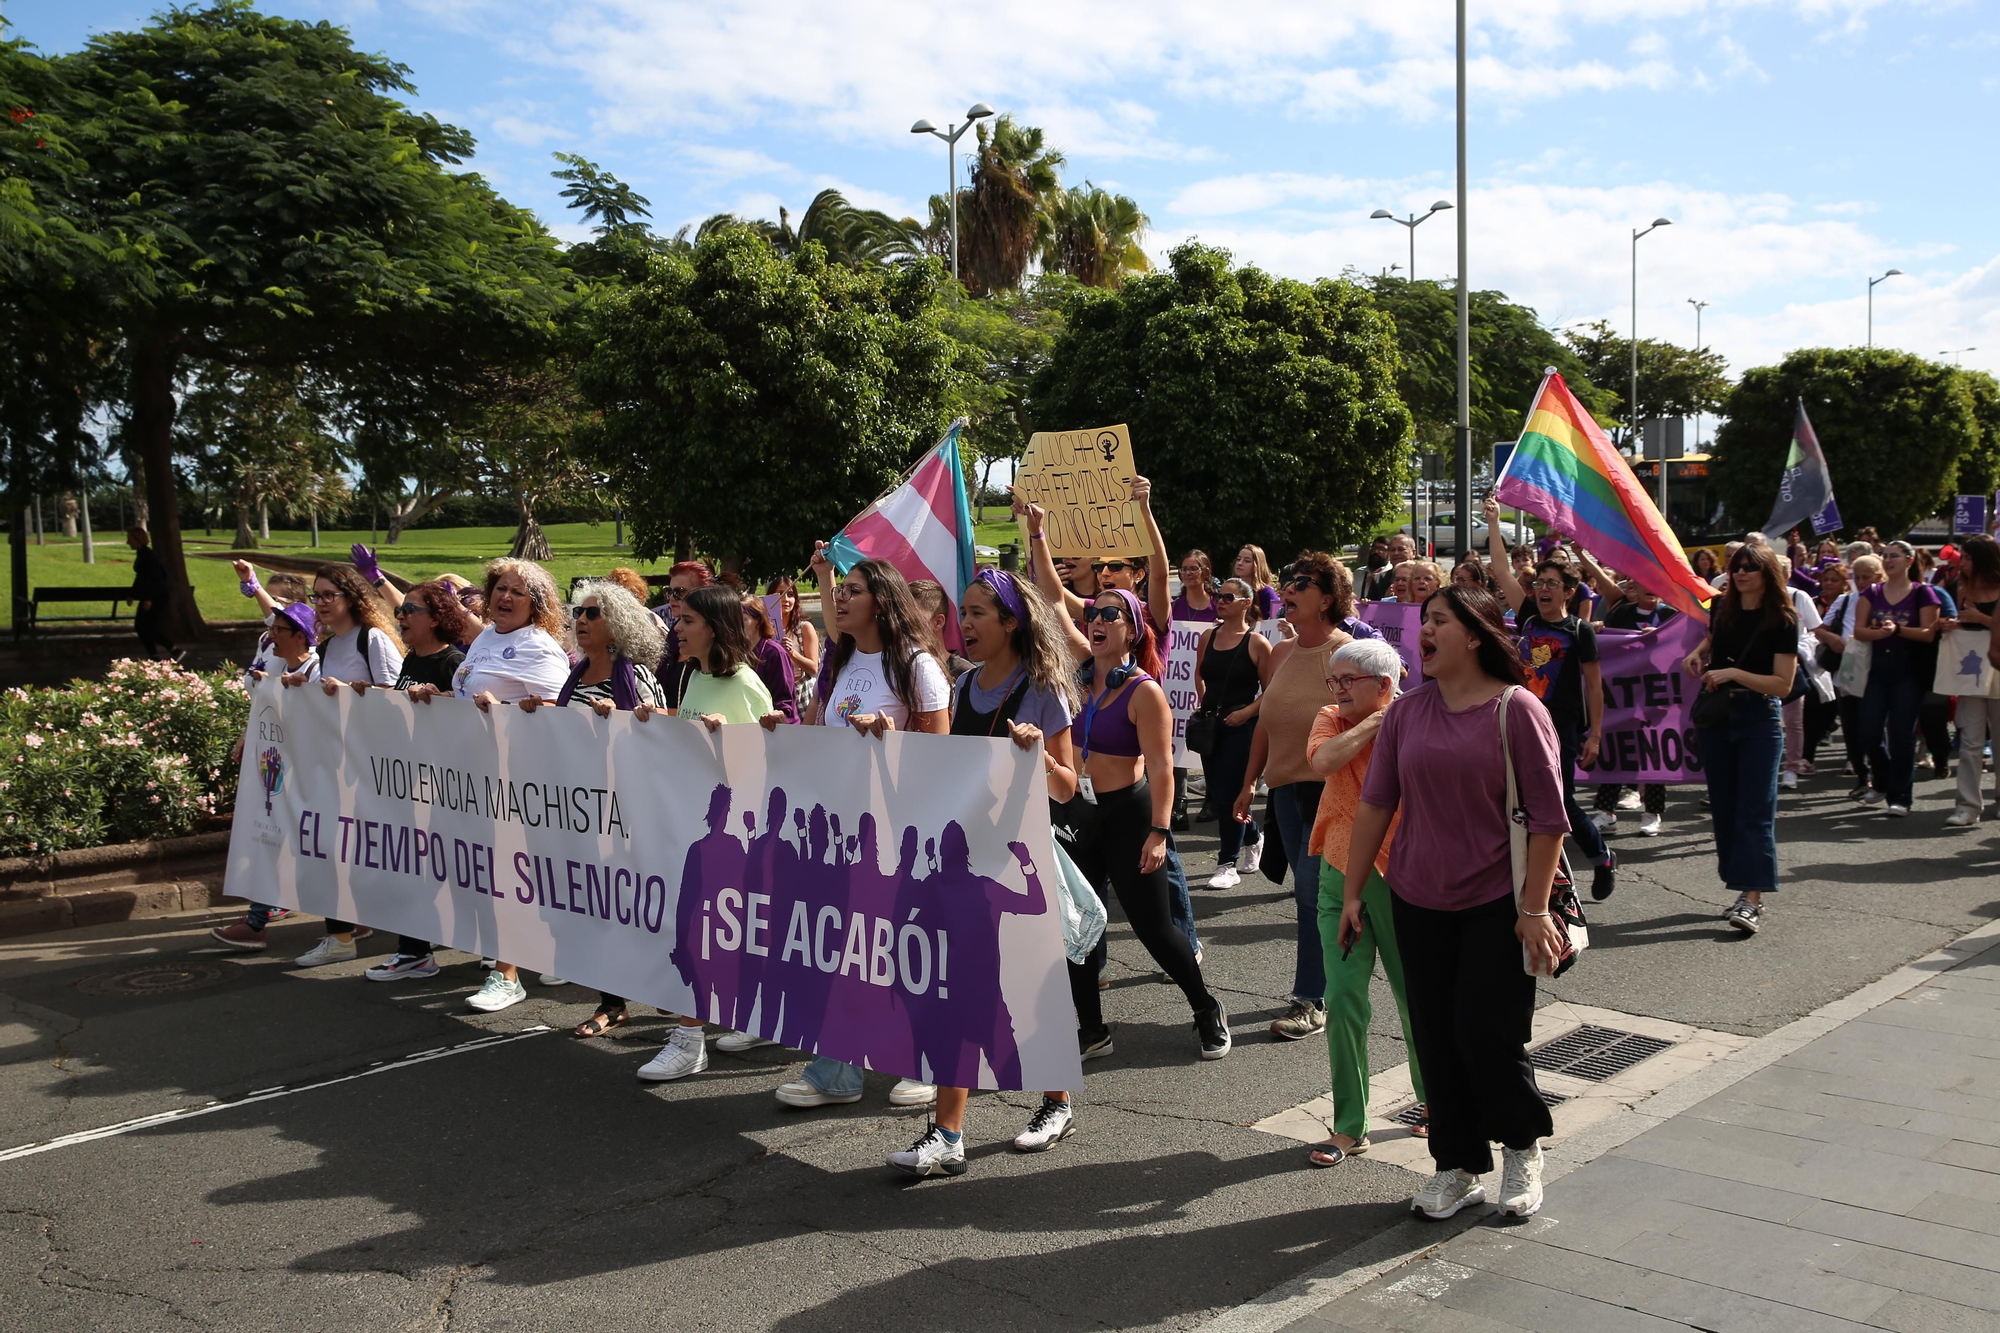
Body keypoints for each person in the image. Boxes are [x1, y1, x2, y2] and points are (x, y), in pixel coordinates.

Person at [1345, 584, 1569, 1221]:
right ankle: (1458, 1165)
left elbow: (1549, 821)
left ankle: (1522, 1147)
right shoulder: (1407, 713)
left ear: (1474, 635)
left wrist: (1534, 910)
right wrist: (1355, 891)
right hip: (1417, 897)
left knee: (1487, 1035)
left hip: (1498, 902)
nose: (1424, 631)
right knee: (1436, 1037)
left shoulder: (1517, 709)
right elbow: (1376, 804)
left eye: (1438, 620)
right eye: (1424, 621)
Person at [886, 570, 1088, 1177]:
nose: (965, 623)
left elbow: (1068, 788)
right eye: (964, 612)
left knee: (1027, 989)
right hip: (960, 862)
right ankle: (948, 1134)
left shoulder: (1043, 689)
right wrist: (886, 738)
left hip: (1017, 863)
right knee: (955, 990)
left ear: (1010, 622)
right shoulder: (965, 684)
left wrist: (1040, 756)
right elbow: (944, 769)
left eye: (978, 613)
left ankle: (1056, 1102)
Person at [773, 550, 951, 1112]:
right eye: (838, 590)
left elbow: (941, 761)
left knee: (905, 952)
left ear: (882, 602)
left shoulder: (918, 668)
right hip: (840, 831)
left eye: (852, 590)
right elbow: (821, 742)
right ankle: (839, 1070)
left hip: (901, 835)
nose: (839, 599)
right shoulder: (843, 661)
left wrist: (890, 738)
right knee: (845, 948)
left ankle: (925, 1060)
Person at [1057, 587, 1232, 1060]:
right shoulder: (1077, 674)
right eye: (1093, 613)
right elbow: (1053, 599)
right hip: (1077, 812)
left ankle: (1205, 1008)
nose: (1096, 620)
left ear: (1132, 630)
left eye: (1110, 614)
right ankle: (1092, 1029)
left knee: (1154, 927)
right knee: (1076, 926)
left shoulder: (1143, 690)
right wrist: (1039, 547)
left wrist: (1159, 832)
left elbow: (1160, 766)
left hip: (1128, 816)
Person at [408, 559, 575, 1010]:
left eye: (518, 592)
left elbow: (562, 712)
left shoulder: (539, 647)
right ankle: (542, 950)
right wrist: (441, 697)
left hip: (515, 779)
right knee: (484, 873)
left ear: (536, 604)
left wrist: (504, 709)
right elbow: (470, 694)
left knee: (507, 875)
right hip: (472, 776)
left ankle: (508, 975)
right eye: (500, 588)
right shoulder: (485, 638)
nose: (505, 597)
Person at [626, 582, 774, 1082]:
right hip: (695, 829)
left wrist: (726, 741)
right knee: (702, 933)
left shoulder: (746, 684)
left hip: (733, 839)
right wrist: (659, 720)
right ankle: (742, 1020)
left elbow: (769, 766)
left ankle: (690, 1041)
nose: (676, 628)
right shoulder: (693, 675)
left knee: (701, 933)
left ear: (714, 627)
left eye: (687, 620)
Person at [1307, 638, 1426, 1167]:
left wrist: (1394, 719)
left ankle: (1435, 1100)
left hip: (1404, 876)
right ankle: (1349, 1126)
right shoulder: (1331, 718)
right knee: (1342, 999)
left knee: (1415, 998)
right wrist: (1377, 720)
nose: (1337, 690)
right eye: (1333, 680)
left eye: (1347, 680)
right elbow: (1322, 760)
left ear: (1384, 683)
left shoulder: (1418, 719)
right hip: (1338, 876)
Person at [1231, 552, 1356, 1042]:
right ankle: (1332, 984)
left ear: (1327, 599)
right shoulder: (1281, 652)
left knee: (1310, 891)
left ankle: (1312, 999)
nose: (1289, 589)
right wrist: (1249, 783)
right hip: (1284, 791)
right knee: (1315, 896)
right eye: (1288, 581)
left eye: (1302, 583)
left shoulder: (1348, 652)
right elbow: (1268, 721)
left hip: (1331, 791)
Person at [286, 564, 406, 968]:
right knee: (328, 848)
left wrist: (353, 692)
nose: (320, 603)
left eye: (328, 595)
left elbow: (397, 697)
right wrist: (301, 688)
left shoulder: (372, 639)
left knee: (385, 854)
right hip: (337, 762)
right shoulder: (325, 649)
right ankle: (339, 936)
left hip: (373, 766)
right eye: (315, 596)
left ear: (351, 598)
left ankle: (413, 944)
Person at [359, 581, 474, 982]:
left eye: (410, 610)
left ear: (436, 618)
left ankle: (492, 953)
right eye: (400, 610)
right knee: (412, 867)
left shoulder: (454, 662)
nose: (401, 616)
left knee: (456, 871)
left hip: (446, 788)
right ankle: (414, 952)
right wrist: (369, 697)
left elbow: (472, 721)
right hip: (411, 784)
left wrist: (444, 700)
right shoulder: (411, 659)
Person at [1681, 544, 1798, 933]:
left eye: (1751, 567)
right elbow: (1713, 639)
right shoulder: (1722, 607)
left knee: (1755, 810)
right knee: (1725, 809)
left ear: (1768, 573)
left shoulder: (1783, 619)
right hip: (1718, 717)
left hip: (1759, 717)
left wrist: (1732, 674)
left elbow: (1783, 684)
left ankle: (1751, 897)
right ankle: (1742, 885)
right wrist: (1698, 653)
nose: (1742, 573)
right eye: (1736, 567)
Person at [1490, 546, 1616, 901]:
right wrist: (1494, 523)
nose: (1543, 589)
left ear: (1569, 592)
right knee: (1515, 800)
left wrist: (1595, 735)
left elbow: (1594, 687)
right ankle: (1530, 879)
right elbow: (1501, 569)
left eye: (1552, 583)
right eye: (1540, 582)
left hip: (1561, 729)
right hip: (1521, 723)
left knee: (1560, 802)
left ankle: (1601, 858)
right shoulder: (1529, 618)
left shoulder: (1579, 630)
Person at [209, 603, 321, 950]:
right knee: (272, 841)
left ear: (300, 636)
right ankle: (258, 921)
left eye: (279, 631)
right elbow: (267, 712)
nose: (271, 637)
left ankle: (349, 921)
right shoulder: (277, 668)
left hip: (311, 777)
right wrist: (249, 736)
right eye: (271, 630)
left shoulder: (316, 670)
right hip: (282, 774)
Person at [1852, 540, 1942, 816]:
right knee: (1868, 732)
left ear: (1909, 561)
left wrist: (1898, 630)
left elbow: (1928, 632)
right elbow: (1859, 631)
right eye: (1885, 556)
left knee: (1901, 734)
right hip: (1877, 668)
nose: (1889, 560)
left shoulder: (1923, 593)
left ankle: (1900, 797)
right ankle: (1881, 780)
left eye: (1895, 556)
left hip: (1909, 669)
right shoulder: (1872, 592)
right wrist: (1879, 633)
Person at [1195, 578, 1271, 888]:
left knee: (1231, 795)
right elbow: (1200, 674)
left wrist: (1246, 712)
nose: (1220, 601)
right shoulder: (1208, 636)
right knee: (1218, 792)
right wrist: (1205, 703)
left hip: (1242, 727)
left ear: (1245, 603)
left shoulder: (1257, 643)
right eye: (1218, 595)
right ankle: (1253, 836)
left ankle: (1227, 864)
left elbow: (1270, 690)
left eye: (1228, 597)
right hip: (1212, 726)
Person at [1593, 577, 1675, 837]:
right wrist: (1598, 629)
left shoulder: (1672, 616)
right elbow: (1609, 647)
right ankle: (1606, 813)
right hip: (1625, 695)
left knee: (1654, 750)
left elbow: (1683, 647)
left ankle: (1652, 812)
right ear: (1634, 588)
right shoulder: (1621, 614)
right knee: (1618, 748)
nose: (1651, 587)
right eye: (1644, 582)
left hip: (1657, 694)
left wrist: (1660, 637)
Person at [1942, 533, 2000, 826]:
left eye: (1966, 557)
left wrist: (1982, 619)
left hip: (1998, 669)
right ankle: (1967, 806)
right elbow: (1963, 623)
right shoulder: (1960, 587)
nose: (1961, 562)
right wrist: (1950, 625)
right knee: (1970, 743)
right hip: (1972, 672)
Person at [1774, 555, 1828, 792]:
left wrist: (1802, 647)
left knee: (1793, 720)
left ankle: (1792, 767)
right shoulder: (1757, 597)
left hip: (1792, 664)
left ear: (1787, 575)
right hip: (1762, 665)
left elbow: (1817, 630)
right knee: (1769, 720)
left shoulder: (1799, 596)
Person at [739, 593, 801, 722]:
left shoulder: (775, 653)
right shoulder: (737, 652)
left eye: (743, 619)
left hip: (776, 727)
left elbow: (785, 701)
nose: (738, 624)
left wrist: (776, 717)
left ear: (758, 621)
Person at [767, 575, 821, 694]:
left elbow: (814, 669)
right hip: (775, 694)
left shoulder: (804, 627)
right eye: (780, 594)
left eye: (790, 595)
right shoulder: (764, 631)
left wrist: (792, 653)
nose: (785, 599)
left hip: (801, 694)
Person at [127, 527, 175, 659]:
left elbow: (155, 578)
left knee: (144, 627)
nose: (128, 542)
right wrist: (132, 594)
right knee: (143, 627)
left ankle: (172, 649)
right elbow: (141, 577)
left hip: (155, 597)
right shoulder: (143, 554)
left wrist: (149, 599)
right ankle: (154, 656)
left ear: (137, 539)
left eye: (130, 539)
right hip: (152, 596)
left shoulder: (148, 556)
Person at [1237, 544, 1291, 625]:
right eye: (1238, 559)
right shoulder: (1231, 589)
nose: (1240, 563)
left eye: (1247, 561)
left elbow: (1275, 623)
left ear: (1258, 565)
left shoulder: (1266, 592)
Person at [1363, 534, 1413, 602]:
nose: (1396, 553)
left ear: (1413, 553)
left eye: (1401, 549)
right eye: (1392, 550)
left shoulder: (1423, 578)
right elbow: (1372, 605)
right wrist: (1386, 600)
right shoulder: (1378, 580)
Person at [1171, 550, 1218, 622]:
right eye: (1184, 569)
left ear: (1206, 572)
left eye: (1193, 569)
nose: (1188, 573)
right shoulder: (1173, 607)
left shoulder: (1218, 606)